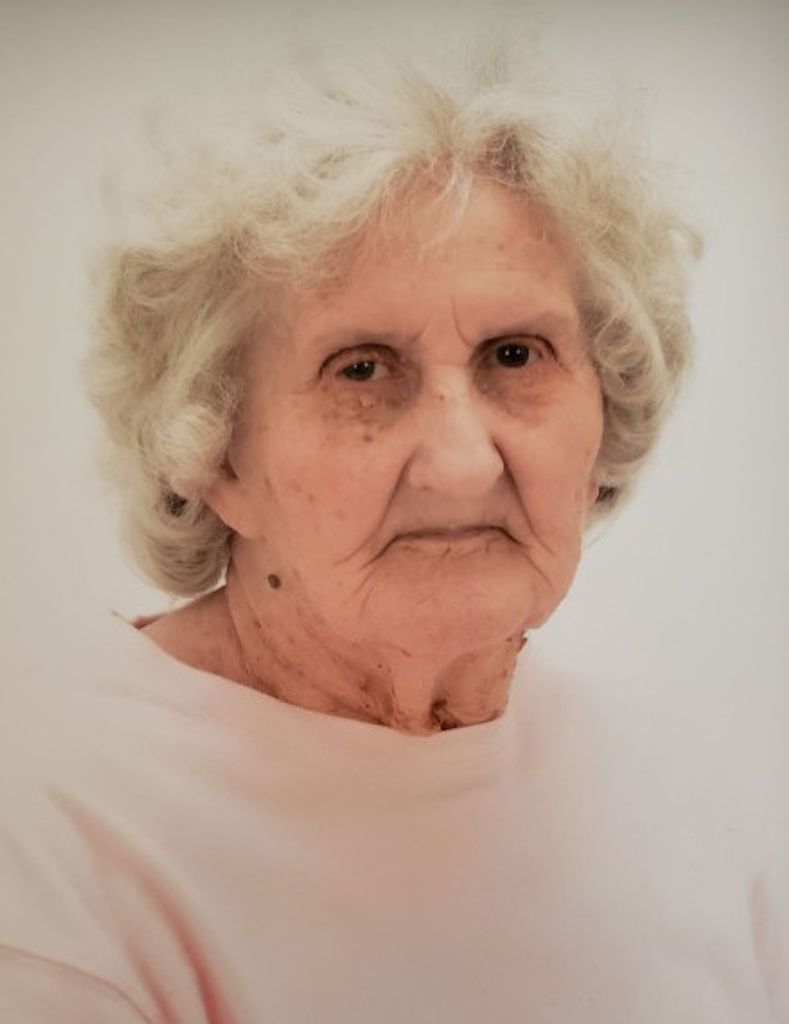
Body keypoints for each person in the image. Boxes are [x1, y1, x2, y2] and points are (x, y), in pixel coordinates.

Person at [1, 36, 785, 1023]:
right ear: (213, 453)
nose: (462, 461)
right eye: (363, 369)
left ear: (605, 416)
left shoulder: (700, 809)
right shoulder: (54, 850)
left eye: (515, 354)